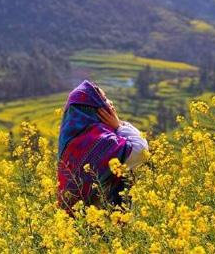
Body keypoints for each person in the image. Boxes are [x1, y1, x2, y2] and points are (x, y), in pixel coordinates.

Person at [57, 80, 148, 212]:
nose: (110, 103)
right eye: (103, 99)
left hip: (76, 224)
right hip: (104, 223)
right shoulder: (102, 141)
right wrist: (119, 126)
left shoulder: (70, 139)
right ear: (93, 107)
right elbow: (141, 151)